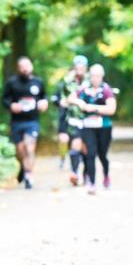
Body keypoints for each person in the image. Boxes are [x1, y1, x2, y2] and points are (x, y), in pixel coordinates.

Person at [68, 63, 116, 194]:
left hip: (104, 127)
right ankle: (92, 183)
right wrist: (80, 103)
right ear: (90, 76)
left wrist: (94, 108)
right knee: (90, 154)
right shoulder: (84, 89)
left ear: (102, 76)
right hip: (88, 127)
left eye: (98, 76)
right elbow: (70, 98)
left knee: (102, 155)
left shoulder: (106, 90)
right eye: (93, 76)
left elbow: (112, 109)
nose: (95, 78)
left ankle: (106, 175)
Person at [1, 56, 48, 189]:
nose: (25, 69)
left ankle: (29, 175)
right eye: (22, 67)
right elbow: (4, 100)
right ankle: (23, 166)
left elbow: (44, 96)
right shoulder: (12, 83)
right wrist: (11, 105)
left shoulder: (38, 82)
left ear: (32, 66)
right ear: (18, 68)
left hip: (32, 121)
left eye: (27, 66)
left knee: (30, 147)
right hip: (17, 122)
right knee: (20, 150)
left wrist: (44, 102)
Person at [55, 55, 89, 186]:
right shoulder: (67, 81)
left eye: (82, 67)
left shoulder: (91, 79)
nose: (80, 69)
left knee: (86, 148)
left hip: (89, 118)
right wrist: (62, 102)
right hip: (71, 118)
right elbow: (60, 97)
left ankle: (86, 172)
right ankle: (74, 173)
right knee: (75, 143)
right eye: (77, 66)